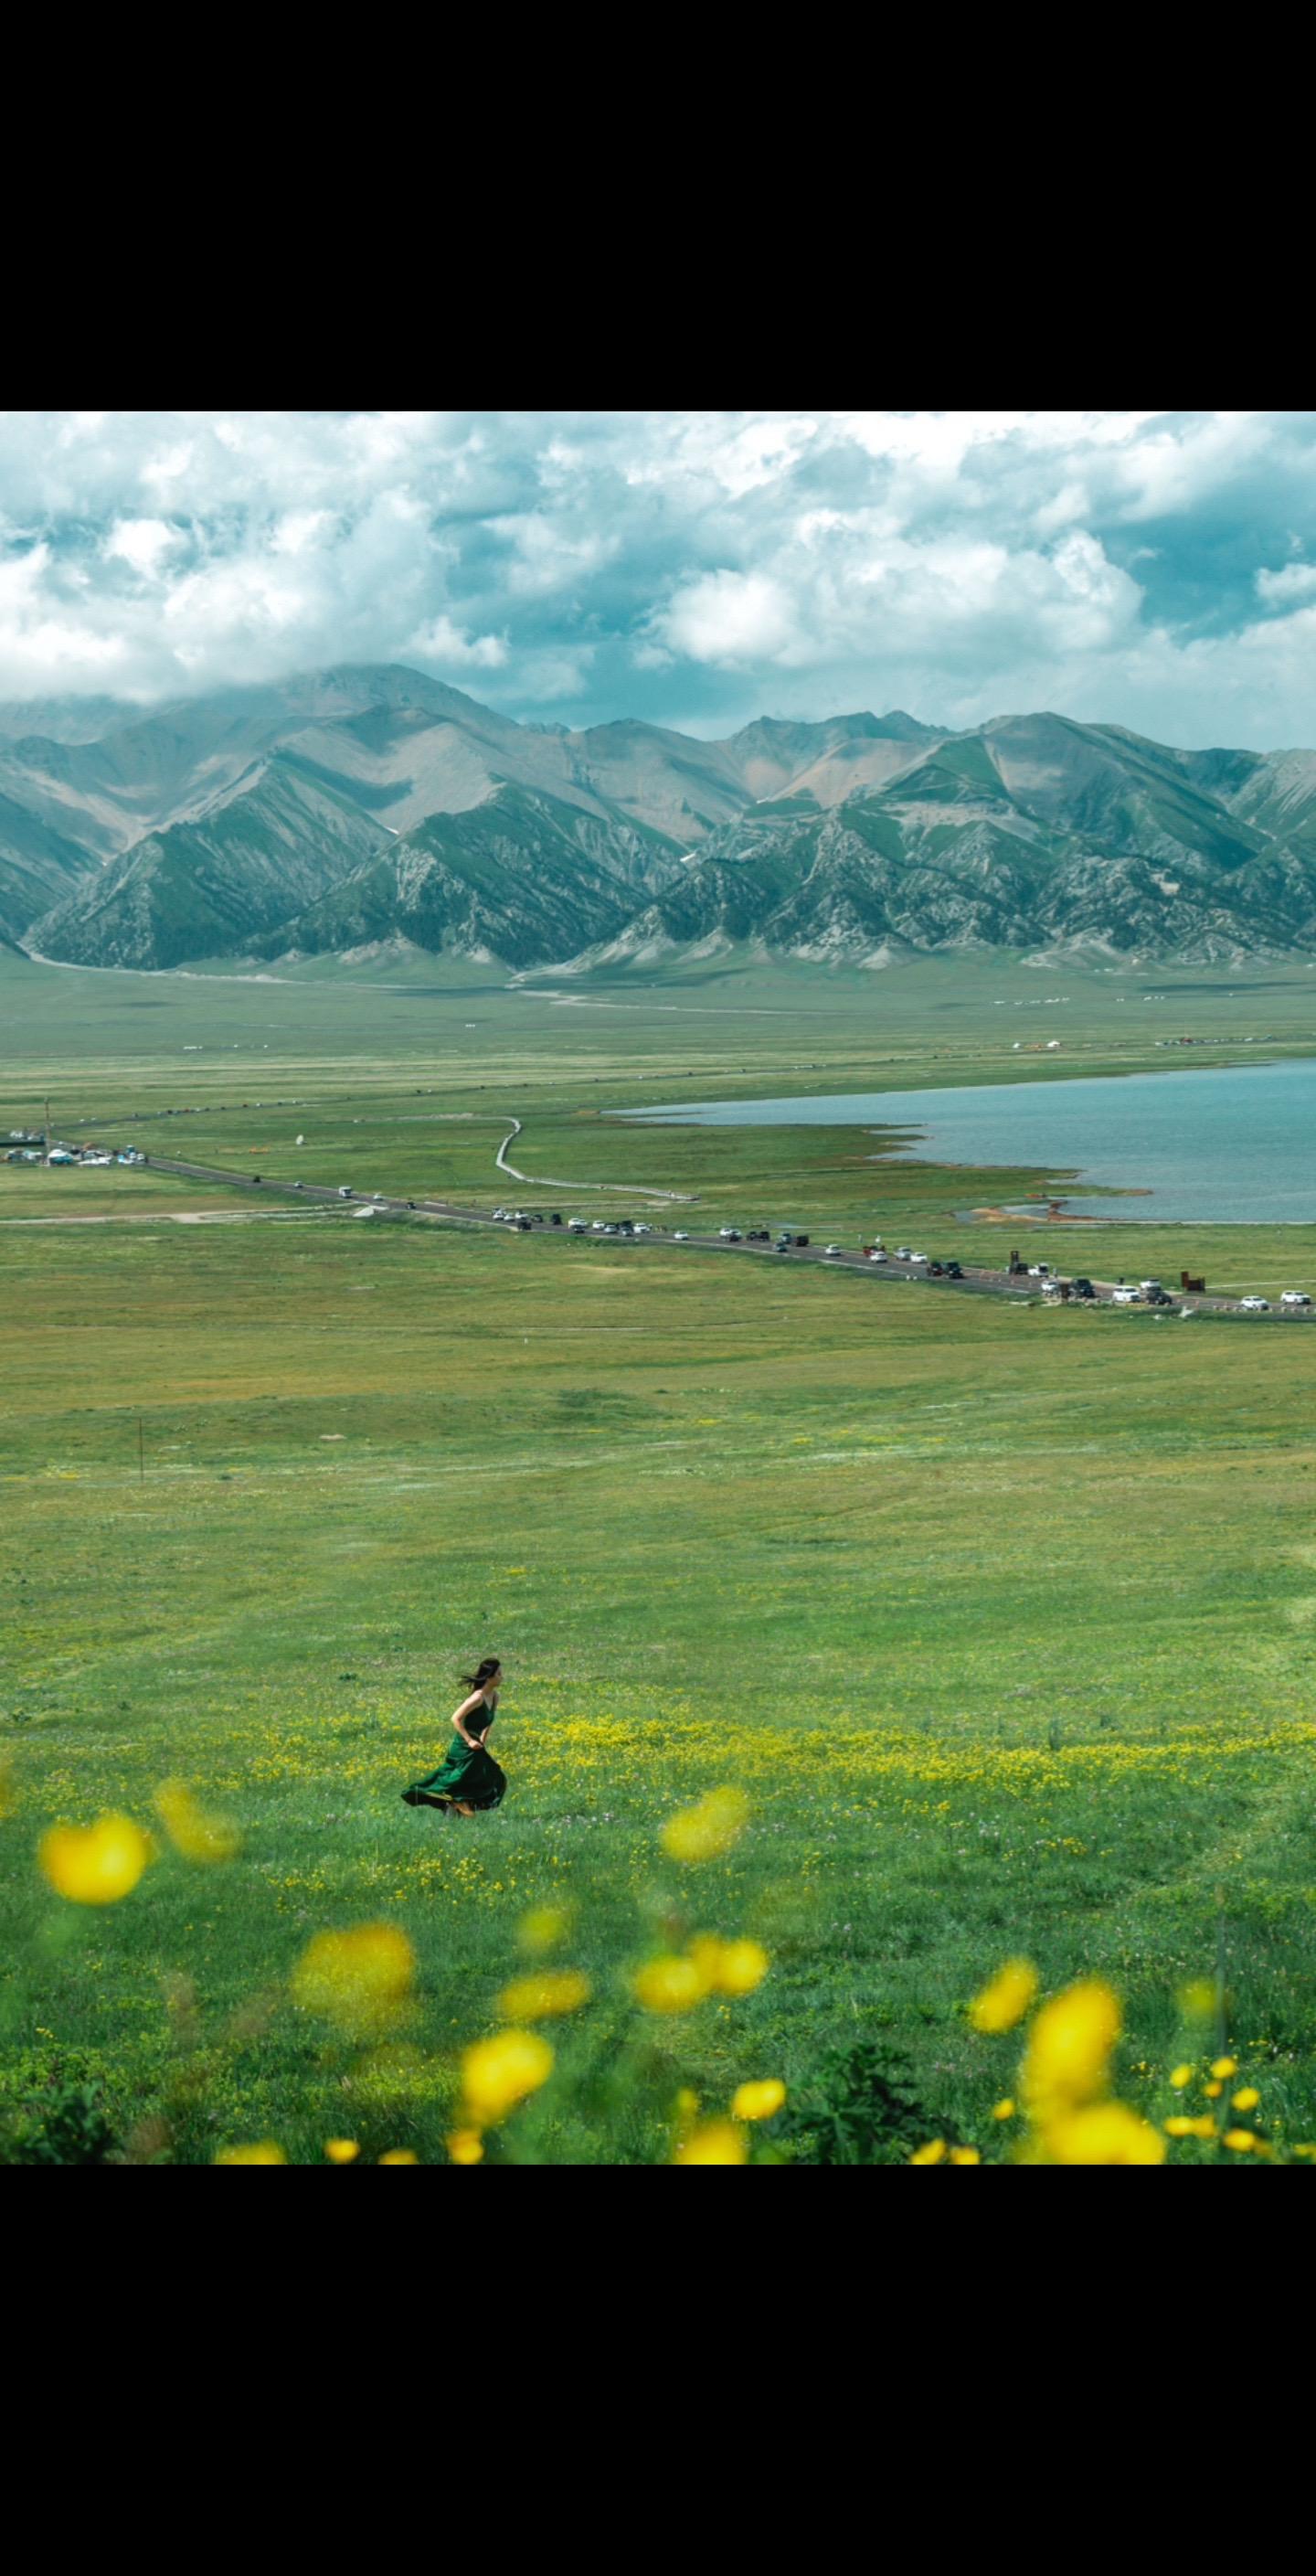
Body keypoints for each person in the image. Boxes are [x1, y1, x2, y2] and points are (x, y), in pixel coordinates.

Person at [402, 1657, 507, 1818]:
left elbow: (488, 1723)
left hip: (476, 1746)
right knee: (456, 1780)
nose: (502, 1677)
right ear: (489, 1677)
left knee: (492, 1778)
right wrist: (470, 1740)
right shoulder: (477, 1698)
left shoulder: (495, 1697)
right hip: (463, 1746)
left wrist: (482, 1741)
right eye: (499, 1674)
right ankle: (451, 1803)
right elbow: (455, 1718)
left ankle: (455, 1808)